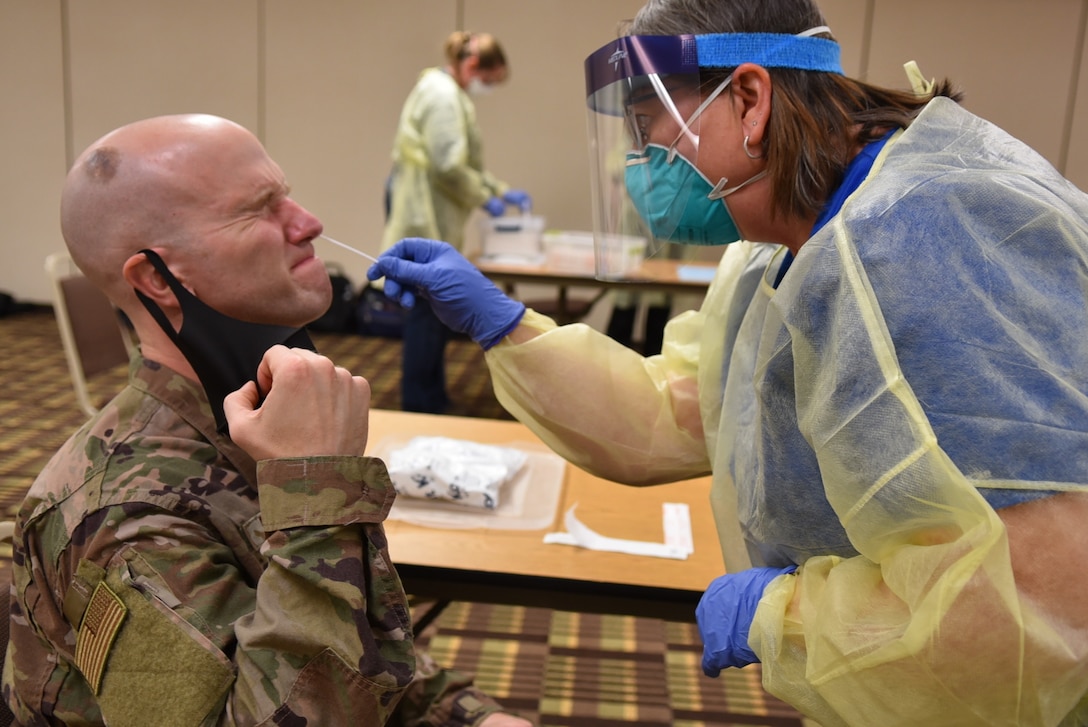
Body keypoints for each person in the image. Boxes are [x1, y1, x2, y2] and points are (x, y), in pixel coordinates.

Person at [366, 1, 1088, 725]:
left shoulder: (932, 235)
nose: (642, 159)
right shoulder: (775, 244)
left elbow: (1040, 607)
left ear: (748, 98)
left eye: (649, 124)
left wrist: (786, 614)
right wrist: (504, 323)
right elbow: (684, 411)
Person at [2, 114, 531, 727]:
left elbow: (356, 639)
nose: (309, 223)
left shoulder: (257, 419)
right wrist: (319, 490)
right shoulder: (126, 514)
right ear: (157, 278)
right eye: (259, 210)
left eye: (287, 196)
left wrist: (466, 716)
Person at [383, 30, 531, 414]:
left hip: (430, 204)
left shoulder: (448, 93)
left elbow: (463, 165)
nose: (488, 88)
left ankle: (429, 396)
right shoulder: (443, 95)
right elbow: (449, 166)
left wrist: (497, 191)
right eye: (490, 80)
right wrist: (486, 198)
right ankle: (421, 402)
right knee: (426, 310)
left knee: (431, 310)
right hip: (422, 208)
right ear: (470, 66)